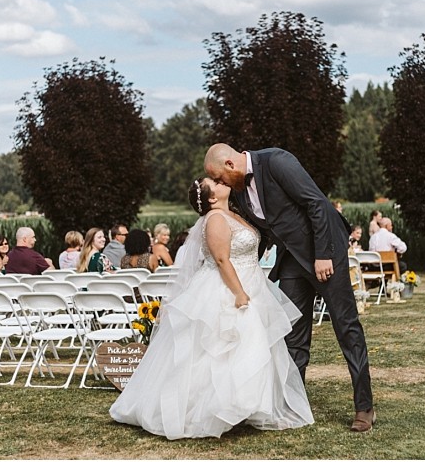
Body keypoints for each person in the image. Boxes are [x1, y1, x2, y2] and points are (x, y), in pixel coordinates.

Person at [110, 177, 313, 439]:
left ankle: (246, 405)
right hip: (227, 287)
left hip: (251, 282)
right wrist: (239, 293)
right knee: (218, 349)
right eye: (214, 182)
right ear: (211, 197)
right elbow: (220, 259)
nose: (220, 181)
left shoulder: (233, 214)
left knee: (250, 345)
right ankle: (212, 407)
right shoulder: (216, 218)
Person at [204, 144, 375, 432]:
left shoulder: (277, 162)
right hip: (292, 260)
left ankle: (364, 407)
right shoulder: (240, 191)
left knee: (346, 328)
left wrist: (323, 254)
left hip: (324, 252)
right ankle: (293, 406)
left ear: (231, 165)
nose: (220, 184)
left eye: (220, 178)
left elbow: (316, 204)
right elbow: (267, 231)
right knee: (294, 334)